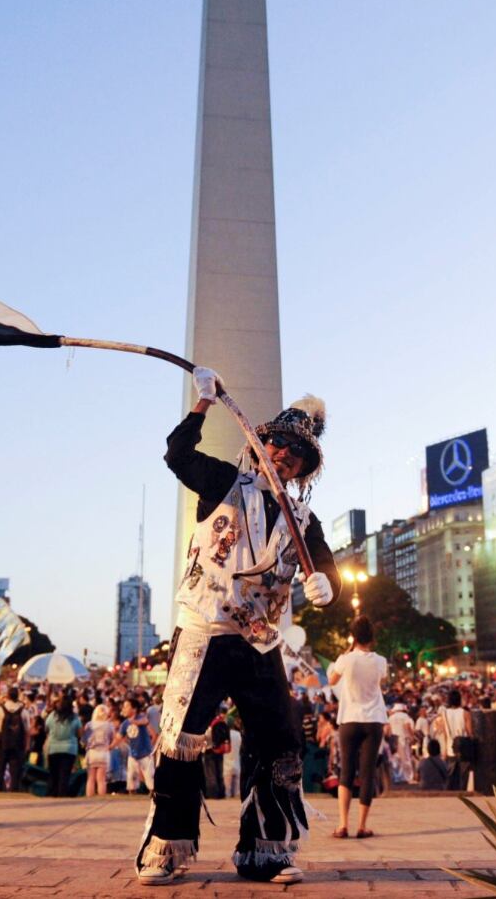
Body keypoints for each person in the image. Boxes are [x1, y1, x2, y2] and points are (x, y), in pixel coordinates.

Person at [136, 371, 341, 886]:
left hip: (260, 641)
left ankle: (266, 851)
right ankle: (165, 846)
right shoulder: (226, 481)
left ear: (303, 468)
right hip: (206, 628)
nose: (284, 457)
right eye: (278, 445)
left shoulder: (303, 517)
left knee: (279, 742)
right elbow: (177, 455)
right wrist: (204, 403)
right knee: (182, 737)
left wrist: (328, 588)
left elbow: (325, 567)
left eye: (296, 455)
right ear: (261, 444)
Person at [328, 614, 388, 839]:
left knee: (346, 771)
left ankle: (343, 825)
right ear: (372, 638)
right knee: (367, 772)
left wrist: (347, 651)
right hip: (373, 719)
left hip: (350, 719)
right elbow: (380, 682)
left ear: (353, 637)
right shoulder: (380, 661)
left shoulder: (345, 659)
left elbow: (332, 680)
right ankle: (362, 826)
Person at [0, 686, 29, 792]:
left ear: (7, 696)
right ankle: (13, 793)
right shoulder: (23, 711)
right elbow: (27, 732)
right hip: (17, 744)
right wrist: (27, 747)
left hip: (2, 742)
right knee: (15, 773)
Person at [435, 688, 475, 791]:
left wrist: (443, 750)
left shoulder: (444, 714)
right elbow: (469, 732)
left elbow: (443, 733)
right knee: (463, 776)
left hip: (450, 747)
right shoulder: (465, 713)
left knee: (451, 776)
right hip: (463, 748)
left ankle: (450, 795)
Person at [43, 691, 80, 797]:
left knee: (54, 774)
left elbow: (46, 729)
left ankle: (52, 795)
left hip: (53, 748)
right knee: (65, 776)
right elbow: (79, 733)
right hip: (69, 749)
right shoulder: (75, 718)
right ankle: (62, 795)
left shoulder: (52, 716)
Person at [121, 695, 156, 795]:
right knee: (131, 775)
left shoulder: (141, 717)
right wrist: (110, 746)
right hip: (133, 754)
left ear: (134, 709)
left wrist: (135, 722)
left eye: (126, 706)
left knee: (149, 774)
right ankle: (132, 792)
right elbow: (119, 736)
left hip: (145, 752)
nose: (124, 708)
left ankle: (153, 792)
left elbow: (145, 722)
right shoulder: (125, 723)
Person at [84, 702, 117, 797]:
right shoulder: (109, 725)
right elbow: (113, 738)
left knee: (90, 778)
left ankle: (89, 797)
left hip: (92, 753)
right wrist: (109, 746)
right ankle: (101, 797)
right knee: (101, 779)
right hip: (103, 752)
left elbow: (84, 739)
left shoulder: (89, 725)